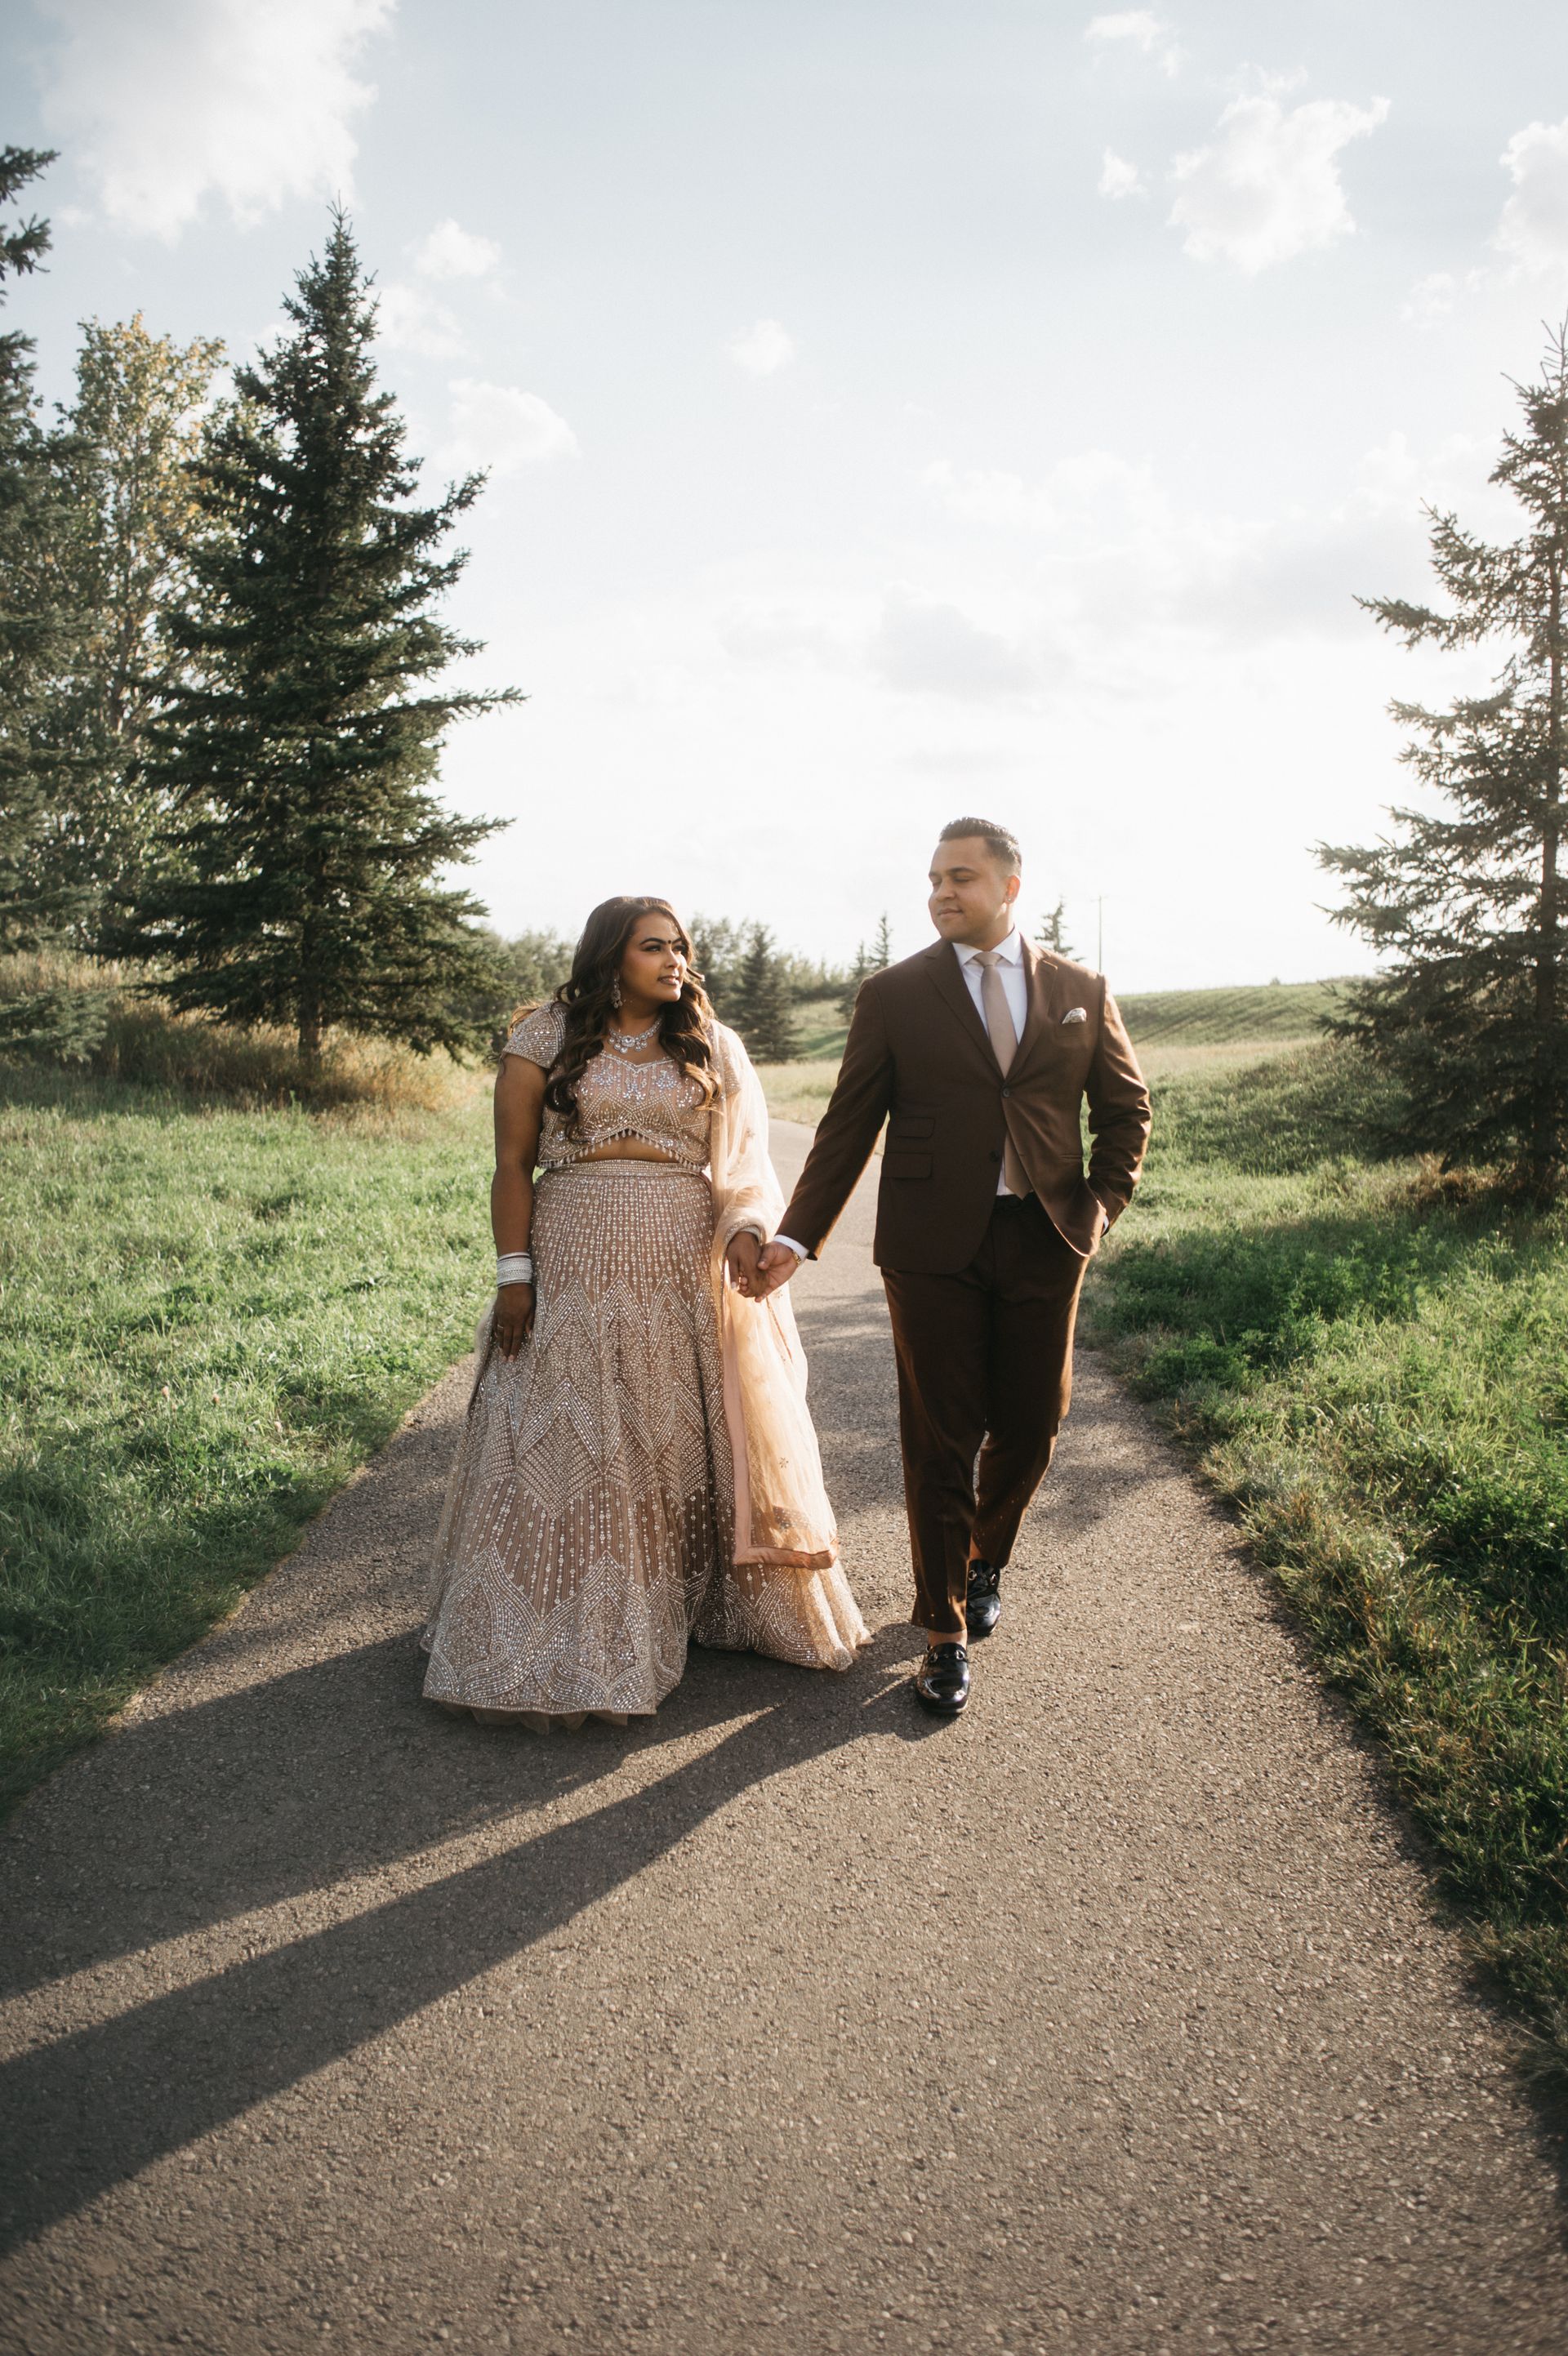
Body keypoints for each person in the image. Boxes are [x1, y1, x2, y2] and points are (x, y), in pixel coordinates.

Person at [422, 896, 867, 1730]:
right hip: (570, 1255)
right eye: (653, 947)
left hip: (676, 1262)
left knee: (663, 1432)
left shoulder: (711, 1042)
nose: (675, 963)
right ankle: (560, 1614)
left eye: (682, 948)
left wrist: (743, 1229)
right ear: (609, 956)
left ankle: (683, 1597)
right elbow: (512, 1165)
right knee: (572, 1430)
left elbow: (743, 1162)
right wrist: (514, 1273)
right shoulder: (544, 1035)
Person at [751, 819, 1151, 1718]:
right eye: (933, 877)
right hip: (931, 1248)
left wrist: (1097, 1208)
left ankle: (985, 1557)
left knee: (1035, 1421)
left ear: (1011, 885)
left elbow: (1127, 1111)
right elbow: (848, 1124)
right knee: (941, 1434)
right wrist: (797, 1235)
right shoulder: (895, 993)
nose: (940, 891)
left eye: (961, 876)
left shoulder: (1081, 989)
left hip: (1047, 1236)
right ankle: (943, 1629)